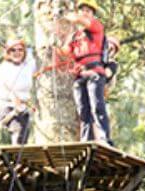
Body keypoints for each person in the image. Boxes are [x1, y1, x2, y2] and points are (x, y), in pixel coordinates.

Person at [58, 0, 113, 146]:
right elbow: (64, 51)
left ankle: (104, 138)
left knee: (97, 107)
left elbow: (79, 19)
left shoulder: (96, 27)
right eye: (83, 10)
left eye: (88, 11)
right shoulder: (75, 36)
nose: (85, 13)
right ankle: (85, 140)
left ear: (93, 14)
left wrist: (66, 15)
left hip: (95, 72)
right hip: (81, 75)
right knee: (83, 111)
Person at [0, 39, 36, 145]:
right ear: (8, 53)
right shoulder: (2, 69)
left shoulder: (28, 66)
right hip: (5, 106)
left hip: (21, 107)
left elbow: (39, 58)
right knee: (18, 128)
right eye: (13, 50)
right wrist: (14, 99)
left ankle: (20, 158)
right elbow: (1, 88)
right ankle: (17, 160)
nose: (17, 53)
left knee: (25, 132)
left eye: (20, 50)